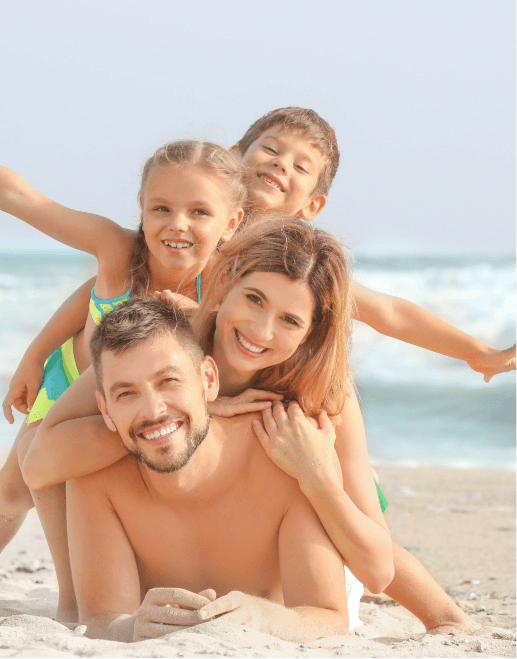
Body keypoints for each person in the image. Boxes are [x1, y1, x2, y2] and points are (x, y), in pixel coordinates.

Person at [0, 140, 248, 621]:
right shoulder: (118, 250)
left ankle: (76, 600)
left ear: (231, 223)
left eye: (199, 211)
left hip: (138, 407)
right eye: (161, 208)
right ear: (141, 208)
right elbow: (21, 197)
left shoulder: (225, 285)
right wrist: (33, 356)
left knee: (80, 478)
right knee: (13, 492)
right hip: (69, 390)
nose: (177, 224)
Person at [64, 297, 362, 642]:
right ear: (105, 410)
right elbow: (102, 620)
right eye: (126, 393)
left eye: (168, 381)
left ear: (208, 379)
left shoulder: (283, 455)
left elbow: (329, 617)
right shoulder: (94, 479)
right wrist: (131, 626)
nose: (153, 410)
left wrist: (260, 616)